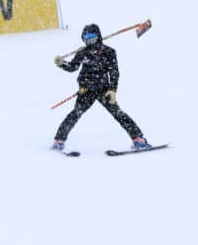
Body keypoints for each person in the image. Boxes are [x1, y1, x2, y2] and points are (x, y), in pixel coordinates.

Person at [51, 23, 150, 151]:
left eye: (92, 38)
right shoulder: (82, 52)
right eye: (86, 38)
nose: (89, 41)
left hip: (104, 90)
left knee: (118, 113)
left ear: (98, 37)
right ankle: (59, 140)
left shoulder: (109, 52)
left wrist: (113, 90)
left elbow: (114, 72)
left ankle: (138, 139)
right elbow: (72, 67)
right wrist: (61, 63)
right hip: (86, 89)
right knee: (76, 113)